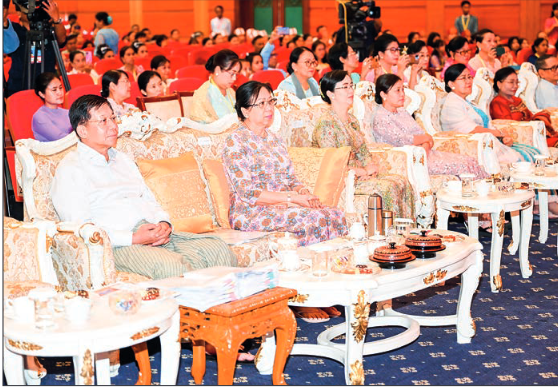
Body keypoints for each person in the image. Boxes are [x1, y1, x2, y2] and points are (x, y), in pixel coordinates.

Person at [50, 94, 238, 281]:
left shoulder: (121, 159)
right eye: (103, 121)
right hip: (118, 245)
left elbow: (149, 199)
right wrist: (133, 238)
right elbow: (81, 228)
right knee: (173, 267)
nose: (113, 126)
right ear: (82, 130)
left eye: (113, 118)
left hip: (153, 234)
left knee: (218, 250)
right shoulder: (71, 169)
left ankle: (223, 308)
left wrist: (164, 224)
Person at [223, 81, 347, 322]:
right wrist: (294, 199)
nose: (269, 108)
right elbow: (249, 193)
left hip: (284, 205)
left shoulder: (275, 139)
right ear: (245, 110)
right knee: (311, 220)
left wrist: (304, 193)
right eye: (262, 103)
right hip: (251, 211)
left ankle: (325, 290)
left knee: (334, 214)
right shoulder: (235, 142)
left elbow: (290, 178)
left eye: (271, 101)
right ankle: (302, 299)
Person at [313, 70, 416, 219]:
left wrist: (371, 168)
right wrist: (363, 172)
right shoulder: (326, 124)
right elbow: (332, 166)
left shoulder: (352, 119)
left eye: (351, 85)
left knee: (402, 182)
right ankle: (386, 236)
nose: (350, 91)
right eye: (345, 87)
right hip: (344, 180)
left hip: (361, 174)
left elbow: (363, 150)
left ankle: (404, 234)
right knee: (387, 188)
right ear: (331, 94)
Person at [372, 73, 487, 178]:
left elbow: (422, 134)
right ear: (383, 94)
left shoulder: (401, 111)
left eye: (403, 89)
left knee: (469, 160)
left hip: (426, 154)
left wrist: (426, 145)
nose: (403, 94)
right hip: (410, 161)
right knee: (464, 165)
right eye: (397, 90)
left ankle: (486, 194)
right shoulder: (381, 118)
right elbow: (402, 140)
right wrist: (425, 140)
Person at [440, 64, 523, 165]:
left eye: (469, 77)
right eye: (463, 78)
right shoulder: (452, 103)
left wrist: (502, 138)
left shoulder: (467, 102)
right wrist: (499, 134)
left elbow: (487, 125)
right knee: (520, 161)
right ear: (451, 83)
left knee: (530, 152)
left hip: (488, 143)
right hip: (472, 148)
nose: (468, 81)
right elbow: (472, 130)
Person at [6, 0, 66, 97]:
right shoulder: (14, 30)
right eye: (29, 6)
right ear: (18, 12)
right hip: (20, 86)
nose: (34, 10)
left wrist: (56, 19)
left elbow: (62, 40)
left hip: (47, 87)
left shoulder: (48, 30)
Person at [490, 67, 558, 147]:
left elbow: (530, 116)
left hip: (535, 133)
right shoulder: (498, 102)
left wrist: (541, 116)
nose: (515, 86)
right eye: (511, 82)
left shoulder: (517, 100)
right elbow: (507, 126)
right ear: (499, 84)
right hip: (521, 139)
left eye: (517, 82)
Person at [190, 49, 240, 123]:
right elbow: (201, 127)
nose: (234, 78)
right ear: (217, 71)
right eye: (232, 73)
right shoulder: (203, 95)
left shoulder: (231, 91)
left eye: (236, 74)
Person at [32, 72, 72, 142]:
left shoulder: (67, 112)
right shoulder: (40, 116)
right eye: (54, 90)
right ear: (42, 94)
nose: (59, 92)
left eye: (60, 88)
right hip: (52, 151)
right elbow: (60, 138)